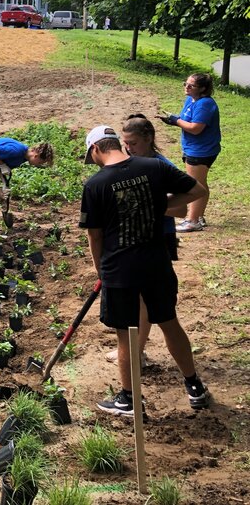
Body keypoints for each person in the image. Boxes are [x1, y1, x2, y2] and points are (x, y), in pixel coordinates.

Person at [79, 126, 209, 416]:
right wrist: (157, 206)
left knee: (125, 333)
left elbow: (95, 237)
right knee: (168, 321)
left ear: (97, 149)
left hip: (120, 269)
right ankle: (194, 386)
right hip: (156, 263)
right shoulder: (153, 166)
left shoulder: (95, 185)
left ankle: (128, 398)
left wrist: (101, 272)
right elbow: (197, 190)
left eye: (92, 157)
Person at [104, 114, 179, 367]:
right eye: (125, 142)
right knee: (135, 299)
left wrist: (148, 205)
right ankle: (134, 348)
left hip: (158, 238)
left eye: (133, 143)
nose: (128, 147)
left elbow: (183, 207)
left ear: (149, 139)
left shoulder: (161, 165)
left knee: (146, 300)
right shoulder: (130, 162)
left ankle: (137, 350)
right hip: (133, 237)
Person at [158, 73, 221, 232]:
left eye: (191, 85)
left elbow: (195, 128)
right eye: (185, 83)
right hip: (194, 148)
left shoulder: (205, 104)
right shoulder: (191, 100)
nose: (186, 87)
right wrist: (173, 121)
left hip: (201, 151)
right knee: (201, 183)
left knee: (194, 186)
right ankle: (198, 216)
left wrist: (176, 121)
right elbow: (187, 120)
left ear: (203, 89)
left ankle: (192, 220)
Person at [0, 137, 54, 243]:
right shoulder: (16, 151)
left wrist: (5, 184)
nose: (39, 165)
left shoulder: (23, 158)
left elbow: (3, 167)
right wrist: (1, 165)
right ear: (36, 155)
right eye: (41, 162)